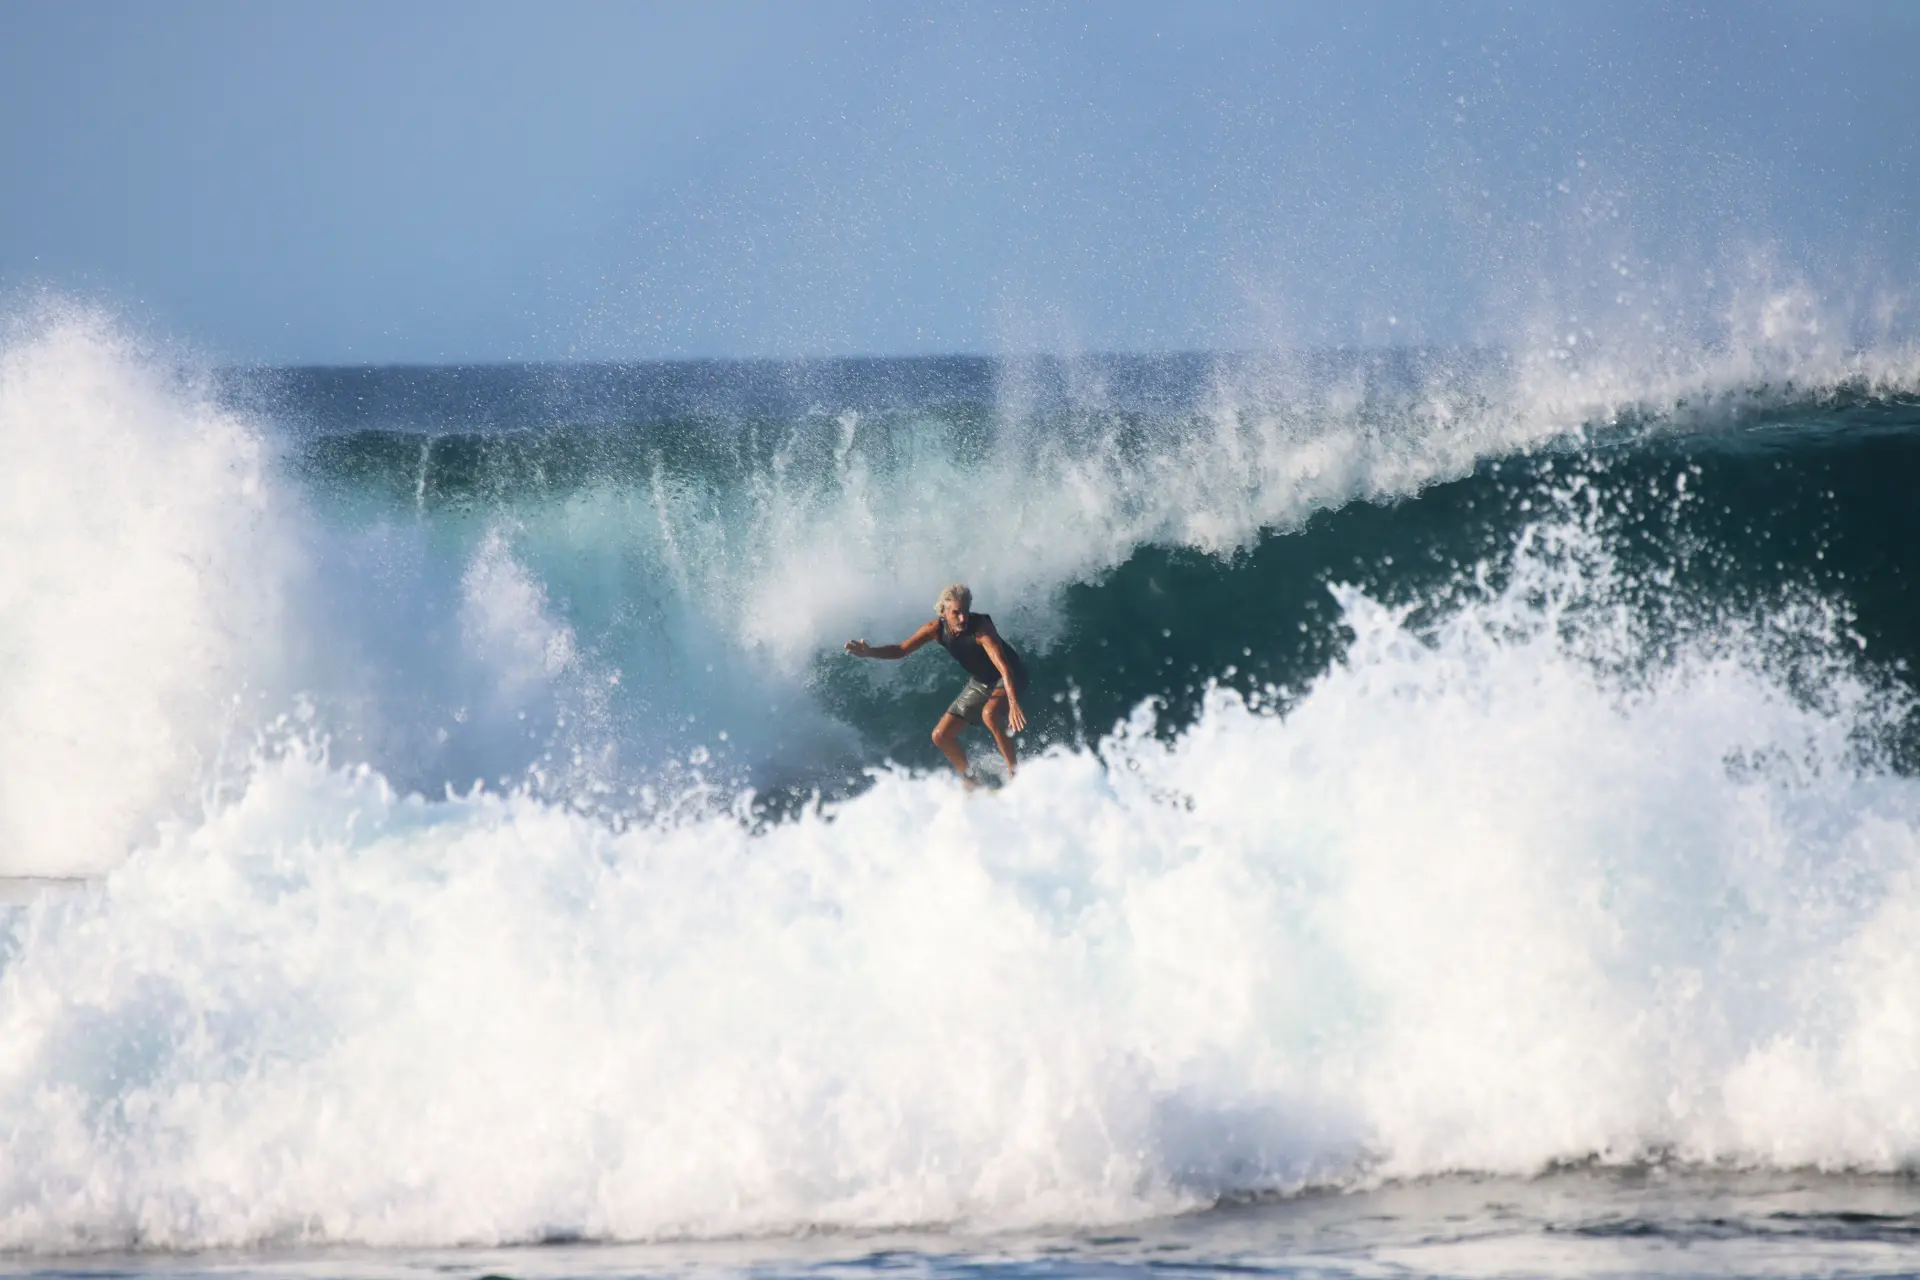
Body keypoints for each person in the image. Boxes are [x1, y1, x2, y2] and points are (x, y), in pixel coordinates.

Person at [844, 583, 1030, 781]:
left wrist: (1012, 702)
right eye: (956, 612)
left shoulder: (981, 629)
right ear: (943, 611)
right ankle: (971, 781)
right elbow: (900, 650)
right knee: (941, 735)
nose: (963, 618)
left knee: (990, 714)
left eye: (966, 611)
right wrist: (870, 652)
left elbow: (1004, 667)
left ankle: (1015, 774)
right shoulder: (935, 629)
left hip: (1011, 675)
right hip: (982, 681)